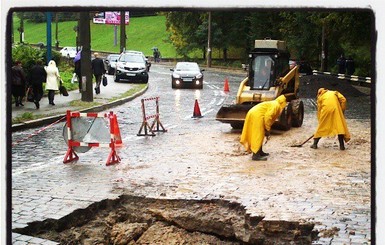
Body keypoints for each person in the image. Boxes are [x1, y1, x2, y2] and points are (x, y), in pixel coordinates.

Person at [240, 95, 287, 161]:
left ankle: (260, 152)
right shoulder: (276, 105)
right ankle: (256, 155)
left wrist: (266, 129)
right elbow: (268, 117)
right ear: (282, 103)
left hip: (254, 113)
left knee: (260, 135)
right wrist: (267, 129)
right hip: (257, 115)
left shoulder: (274, 103)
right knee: (258, 135)